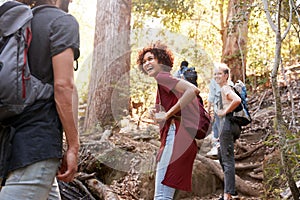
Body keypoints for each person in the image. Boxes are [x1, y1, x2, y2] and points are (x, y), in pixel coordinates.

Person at [0, 0, 80, 199]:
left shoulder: (17, 24)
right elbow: (64, 87)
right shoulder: (62, 21)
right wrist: (73, 145)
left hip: (9, 138)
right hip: (37, 141)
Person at [137, 41, 199, 199]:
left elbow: (192, 90)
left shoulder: (163, 77)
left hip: (175, 137)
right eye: (144, 61)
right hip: (177, 137)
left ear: (161, 60)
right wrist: (160, 114)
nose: (147, 63)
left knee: (162, 196)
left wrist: (166, 115)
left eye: (151, 59)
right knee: (164, 195)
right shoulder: (162, 81)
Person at [215, 64, 241, 200]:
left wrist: (225, 111)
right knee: (221, 154)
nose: (216, 76)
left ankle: (228, 195)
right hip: (230, 126)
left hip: (228, 125)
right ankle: (231, 191)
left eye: (219, 74)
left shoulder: (225, 88)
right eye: (215, 74)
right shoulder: (225, 88)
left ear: (226, 76)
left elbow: (237, 100)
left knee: (227, 160)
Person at [206, 76, 221, 157]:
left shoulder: (214, 81)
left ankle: (216, 148)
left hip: (218, 109)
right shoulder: (228, 81)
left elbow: (211, 97)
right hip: (227, 109)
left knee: (216, 128)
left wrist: (208, 110)